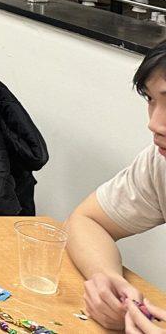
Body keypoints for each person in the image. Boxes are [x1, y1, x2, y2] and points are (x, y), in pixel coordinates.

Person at [66, 44, 166, 331]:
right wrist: (107, 278)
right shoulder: (159, 163)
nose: (154, 123)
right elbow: (87, 221)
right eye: (150, 99)